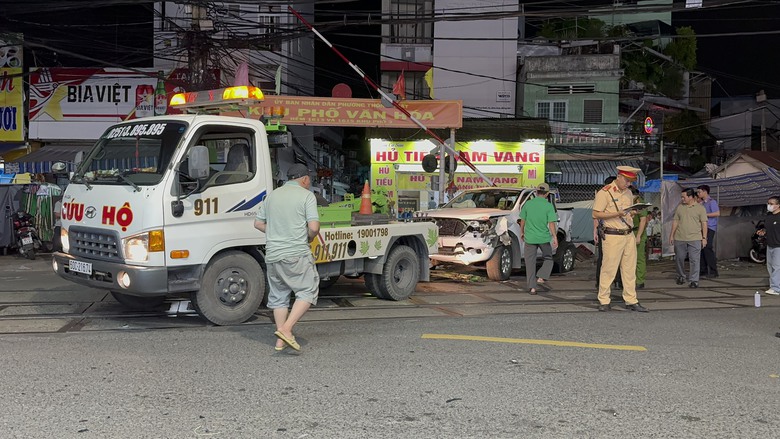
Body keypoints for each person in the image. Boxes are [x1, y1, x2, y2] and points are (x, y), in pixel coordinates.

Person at [254, 163, 321, 352]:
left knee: (279, 298)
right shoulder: (307, 196)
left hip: (273, 255)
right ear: (305, 179)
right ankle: (286, 329)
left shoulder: (272, 195)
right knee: (307, 291)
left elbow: (258, 223)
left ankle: (280, 341)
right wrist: (308, 236)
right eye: (309, 179)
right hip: (296, 253)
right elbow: (314, 227)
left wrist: (277, 232)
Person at [592, 166, 648, 312]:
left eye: (631, 181)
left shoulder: (629, 193)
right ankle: (604, 300)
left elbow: (627, 213)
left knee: (629, 270)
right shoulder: (605, 193)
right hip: (612, 235)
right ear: (619, 176)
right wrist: (617, 214)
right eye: (627, 181)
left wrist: (633, 212)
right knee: (609, 269)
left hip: (628, 234)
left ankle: (631, 300)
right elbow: (596, 214)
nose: (629, 184)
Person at [520, 182, 558, 295]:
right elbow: (551, 223)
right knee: (548, 258)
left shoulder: (528, 204)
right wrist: (555, 237)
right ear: (546, 194)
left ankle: (532, 288)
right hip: (543, 238)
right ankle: (542, 276)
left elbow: (523, 220)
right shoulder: (548, 206)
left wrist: (522, 232)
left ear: (536, 192)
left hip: (529, 238)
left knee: (530, 263)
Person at [670, 188, 708, 288]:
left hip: (695, 238)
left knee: (694, 260)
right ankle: (681, 276)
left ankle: (694, 280)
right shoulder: (680, 207)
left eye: (684, 197)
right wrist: (671, 235)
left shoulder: (700, 208)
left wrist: (704, 238)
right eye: (681, 197)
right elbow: (675, 221)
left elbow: (704, 223)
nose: (682, 199)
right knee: (679, 258)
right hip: (680, 237)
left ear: (690, 197)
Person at [593, 176, 622, 291]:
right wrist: (595, 231)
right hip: (606, 232)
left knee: (613, 258)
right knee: (605, 258)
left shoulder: (620, 194)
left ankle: (615, 281)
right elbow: (596, 215)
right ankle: (602, 282)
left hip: (613, 232)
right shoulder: (604, 195)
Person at [697, 185, 720, 278]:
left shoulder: (712, 202)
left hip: (710, 227)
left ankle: (713, 270)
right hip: (702, 227)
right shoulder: (702, 203)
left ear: (705, 191)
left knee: (707, 247)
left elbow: (717, 213)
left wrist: (705, 215)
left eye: (699, 192)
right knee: (702, 248)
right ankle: (703, 269)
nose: (698, 194)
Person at [631, 187, 648, 289]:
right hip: (628, 231)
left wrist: (638, 236)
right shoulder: (626, 202)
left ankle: (640, 281)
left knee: (639, 257)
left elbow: (643, 220)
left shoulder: (640, 204)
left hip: (638, 231)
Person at [763, 196, 780, 295]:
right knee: (770, 266)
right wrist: (763, 231)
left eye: (771, 204)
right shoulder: (769, 216)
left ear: (778, 205)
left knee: (776, 267)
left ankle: (775, 288)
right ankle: (775, 285)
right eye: (768, 203)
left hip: (778, 245)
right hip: (770, 244)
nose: (769, 205)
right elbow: (767, 228)